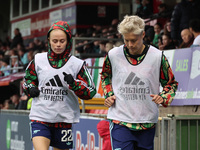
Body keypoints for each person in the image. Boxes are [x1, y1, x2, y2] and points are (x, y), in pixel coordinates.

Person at [100, 15, 178, 150]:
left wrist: (163, 97)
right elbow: (105, 76)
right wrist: (109, 94)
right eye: (126, 40)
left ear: (142, 34)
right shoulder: (113, 55)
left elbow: (171, 83)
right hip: (120, 120)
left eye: (134, 40)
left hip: (146, 121)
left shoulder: (157, 56)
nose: (130, 44)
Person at [23, 21, 96, 150]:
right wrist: (30, 89)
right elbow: (27, 80)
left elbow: (90, 91)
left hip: (64, 120)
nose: (58, 45)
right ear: (49, 41)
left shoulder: (77, 64)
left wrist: (74, 84)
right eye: (54, 41)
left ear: (68, 41)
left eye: (62, 41)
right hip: (40, 117)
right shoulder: (39, 59)